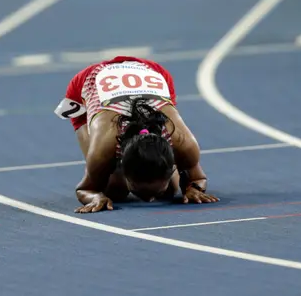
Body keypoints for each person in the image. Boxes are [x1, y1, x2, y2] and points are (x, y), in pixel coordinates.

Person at [54, 56, 219, 213]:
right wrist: (95, 197)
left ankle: (162, 184)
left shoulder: (183, 142)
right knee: (114, 190)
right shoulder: (103, 147)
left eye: (155, 192)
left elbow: (198, 178)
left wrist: (193, 188)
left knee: (171, 190)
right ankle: (122, 179)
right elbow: (85, 188)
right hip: (90, 80)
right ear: (123, 168)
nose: (149, 200)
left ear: (172, 167)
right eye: (138, 191)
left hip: (153, 73)